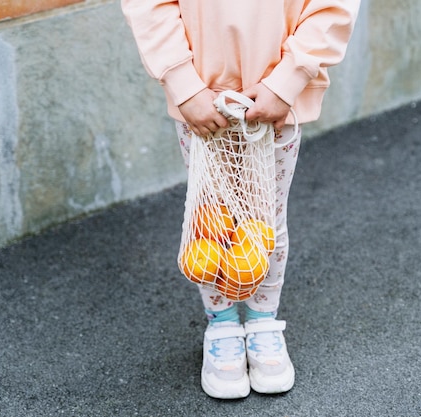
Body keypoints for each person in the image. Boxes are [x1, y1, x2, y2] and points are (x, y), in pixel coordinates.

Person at [121, 0, 361, 399]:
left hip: (275, 100)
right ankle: (223, 322)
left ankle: (264, 321)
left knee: (266, 218)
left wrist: (288, 79)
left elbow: (330, 7)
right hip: (203, 99)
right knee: (210, 219)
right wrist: (184, 84)